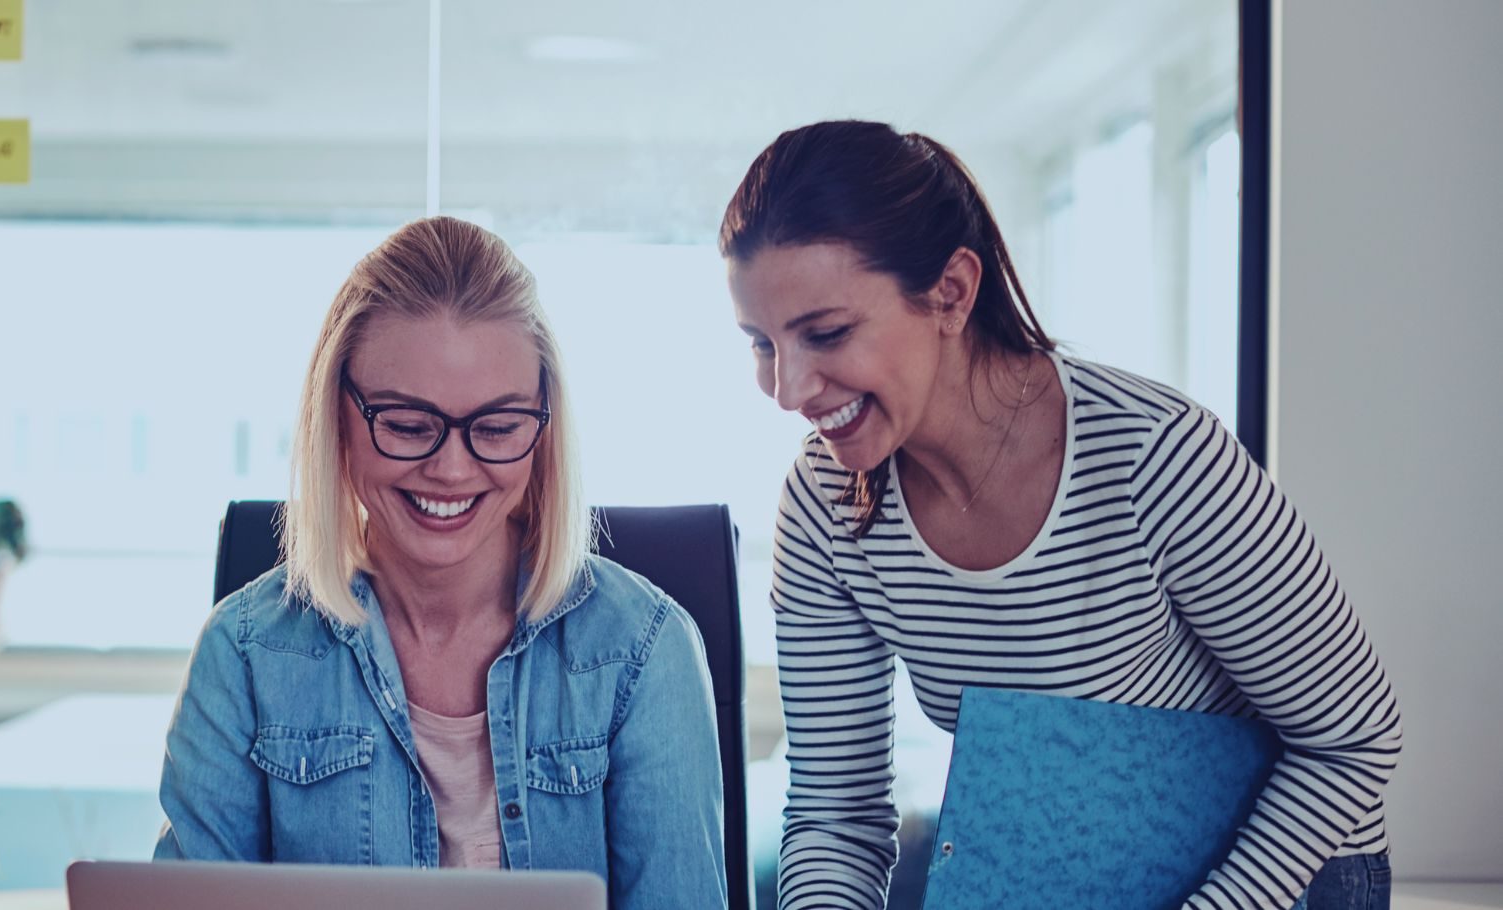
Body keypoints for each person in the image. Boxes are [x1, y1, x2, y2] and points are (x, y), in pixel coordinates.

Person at [721, 120, 1401, 910]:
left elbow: (1353, 739)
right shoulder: (822, 503)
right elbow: (837, 815)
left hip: (1284, 878)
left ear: (952, 292)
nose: (789, 388)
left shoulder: (1153, 454)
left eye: (826, 333)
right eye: (761, 344)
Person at [155, 216, 727, 908]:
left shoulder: (642, 651)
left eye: (497, 427)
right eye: (406, 425)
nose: (452, 469)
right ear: (337, 418)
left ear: (544, 429)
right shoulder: (243, 654)